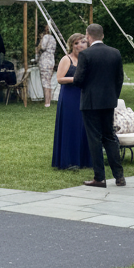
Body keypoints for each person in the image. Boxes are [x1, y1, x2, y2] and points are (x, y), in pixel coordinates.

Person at [74, 24, 125, 188]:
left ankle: (99, 177)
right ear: (102, 36)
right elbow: (119, 78)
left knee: (94, 139)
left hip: (90, 102)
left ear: (88, 36)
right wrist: (113, 96)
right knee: (109, 137)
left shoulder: (85, 54)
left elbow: (78, 80)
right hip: (109, 101)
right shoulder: (115, 52)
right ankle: (119, 176)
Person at [52, 33, 92, 169]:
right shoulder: (66, 59)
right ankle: (69, 160)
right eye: (76, 43)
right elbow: (59, 78)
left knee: (84, 127)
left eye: (82, 42)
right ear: (71, 46)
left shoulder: (88, 59)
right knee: (71, 126)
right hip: (69, 96)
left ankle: (84, 160)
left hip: (84, 96)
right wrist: (76, 79)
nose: (79, 45)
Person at [36, 24, 58, 107]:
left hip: (45, 59)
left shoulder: (46, 37)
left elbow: (42, 47)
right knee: (48, 80)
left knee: (45, 81)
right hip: (51, 59)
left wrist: (41, 39)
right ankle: (49, 100)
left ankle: (47, 102)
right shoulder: (53, 38)